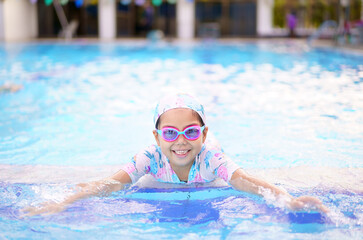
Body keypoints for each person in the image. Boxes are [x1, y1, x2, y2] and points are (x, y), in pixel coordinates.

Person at [22, 93, 329, 216]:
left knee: (217, 155)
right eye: (170, 133)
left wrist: (287, 199)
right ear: (157, 137)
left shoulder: (210, 158)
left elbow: (246, 181)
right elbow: (108, 185)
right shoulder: (150, 157)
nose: (180, 142)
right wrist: (60, 203)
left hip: (212, 155)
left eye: (191, 132)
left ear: (203, 134)